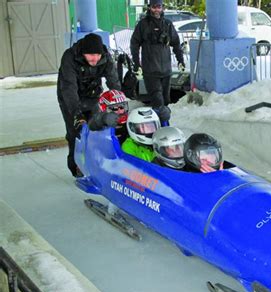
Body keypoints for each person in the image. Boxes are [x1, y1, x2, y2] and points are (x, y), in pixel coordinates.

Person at [57, 33, 121, 177]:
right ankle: (76, 167)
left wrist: (119, 101)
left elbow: (113, 80)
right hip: (69, 98)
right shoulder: (70, 57)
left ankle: (97, 165)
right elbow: (68, 87)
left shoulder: (104, 57)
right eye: (91, 55)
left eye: (97, 55)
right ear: (83, 53)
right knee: (76, 132)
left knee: (97, 128)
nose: (95, 59)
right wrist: (76, 113)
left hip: (92, 96)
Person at [130, 0, 184, 125]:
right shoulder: (143, 25)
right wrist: (136, 64)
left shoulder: (168, 24)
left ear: (162, 8)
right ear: (149, 8)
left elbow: (176, 43)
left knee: (165, 101)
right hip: (150, 71)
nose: (156, 10)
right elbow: (134, 44)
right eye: (154, 7)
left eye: (158, 7)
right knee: (158, 101)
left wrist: (180, 60)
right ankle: (161, 128)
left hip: (166, 71)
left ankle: (161, 125)